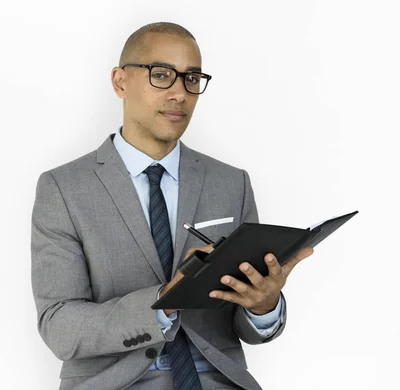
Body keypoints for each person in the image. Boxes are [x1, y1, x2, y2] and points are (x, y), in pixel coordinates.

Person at [31, 22, 314, 390]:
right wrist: (163, 301)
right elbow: (60, 326)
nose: (180, 93)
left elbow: (246, 329)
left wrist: (263, 305)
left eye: (192, 78)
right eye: (161, 75)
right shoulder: (64, 188)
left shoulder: (231, 183)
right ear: (120, 82)